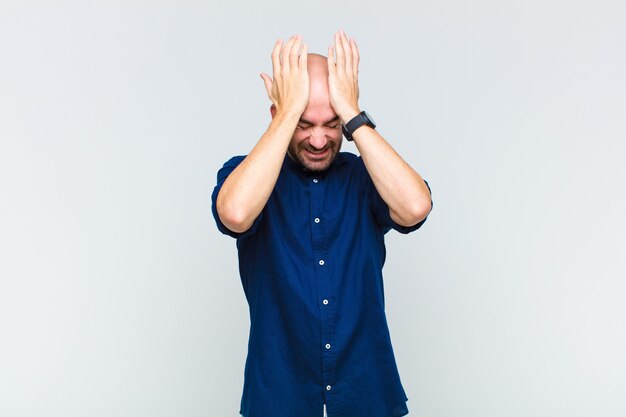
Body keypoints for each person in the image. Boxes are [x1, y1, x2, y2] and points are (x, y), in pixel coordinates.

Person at [211, 29, 433, 417]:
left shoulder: (366, 178)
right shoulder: (246, 175)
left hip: (368, 396)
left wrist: (353, 112)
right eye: (303, 123)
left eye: (332, 124)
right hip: (278, 399)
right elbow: (235, 214)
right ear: (279, 116)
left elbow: (415, 207)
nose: (318, 140)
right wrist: (286, 113)